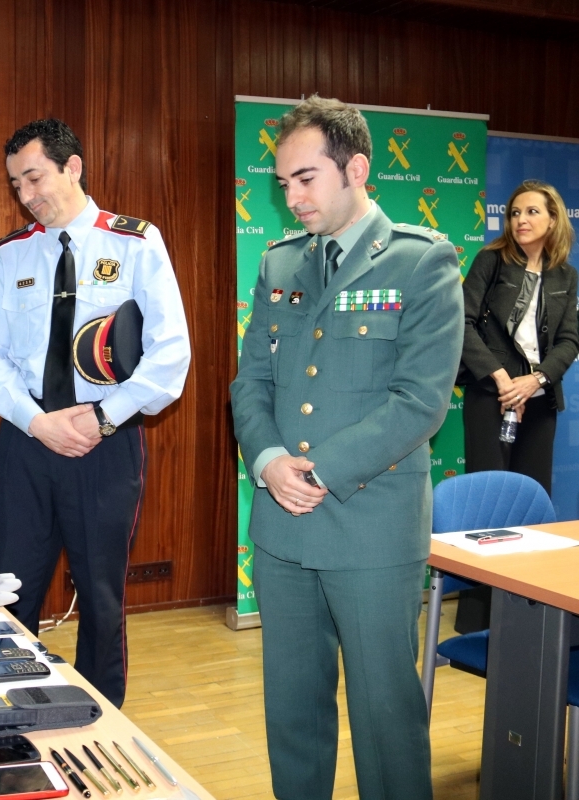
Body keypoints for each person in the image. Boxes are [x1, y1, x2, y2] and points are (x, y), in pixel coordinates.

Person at [230, 96, 463, 800]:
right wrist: (268, 462)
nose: (292, 197)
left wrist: (320, 472)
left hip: (371, 529)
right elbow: (252, 383)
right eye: (283, 184)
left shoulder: (422, 261)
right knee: (293, 712)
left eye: (306, 179)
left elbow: (419, 402)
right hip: (283, 528)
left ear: (356, 169)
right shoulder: (280, 264)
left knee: (385, 717)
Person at [0, 119, 190, 708]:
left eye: (34, 178)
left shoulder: (135, 243)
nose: (25, 194)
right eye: (16, 184)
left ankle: (99, 721)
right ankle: (10, 715)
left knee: (100, 596)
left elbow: (170, 354)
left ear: (72, 167)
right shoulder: (11, 254)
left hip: (106, 443)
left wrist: (103, 418)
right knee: (10, 592)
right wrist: (38, 423)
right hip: (27, 442)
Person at [459, 180, 578, 495]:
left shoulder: (566, 275)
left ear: (553, 219)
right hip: (491, 396)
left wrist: (536, 380)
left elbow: (569, 340)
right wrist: (503, 380)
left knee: (532, 496)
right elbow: (462, 322)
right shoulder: (491, 260)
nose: (520, 220)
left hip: (540, 400)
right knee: (489, 495)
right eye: (514, 213)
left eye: (531, 212)